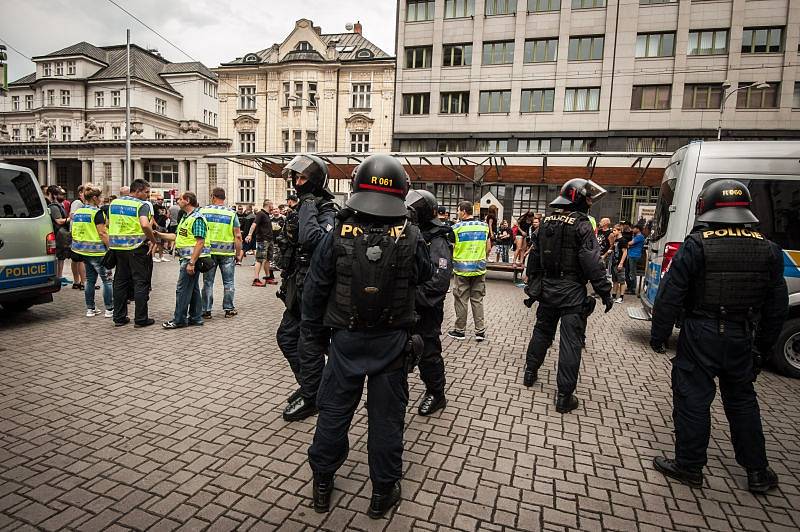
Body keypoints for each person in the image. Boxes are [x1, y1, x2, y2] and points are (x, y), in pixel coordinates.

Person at [303, 154, 434, 518]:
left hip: (344, 341)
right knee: (386, 420)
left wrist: (312, 338)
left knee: (333, 413)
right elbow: (425, 275)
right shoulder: (410, 233)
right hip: (392, 344)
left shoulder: (338, 231)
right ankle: (382, 493)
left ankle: (323, 483)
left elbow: (315, 288)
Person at [649, 179, 788, 493]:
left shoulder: (697, 244)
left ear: (707, 206)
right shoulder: (768, 248)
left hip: (701, 332)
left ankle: (689, 466)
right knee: (742, 403)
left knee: (693, 400)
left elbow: (671, 295)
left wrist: (659, 335)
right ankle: (757, 472)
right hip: (742, 335)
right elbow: (776, 306)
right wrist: (762, 349)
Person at [522, 179, 613, 413]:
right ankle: (564, 397)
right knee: (571, 343)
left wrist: (533, 283)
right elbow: (593, 263)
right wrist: (604, 291)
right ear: (580, 199)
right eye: (589, 197)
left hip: (548, 289)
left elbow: (534, 256)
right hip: (572, 291)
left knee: (542, 331)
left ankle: (530, 373)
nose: (591, 201)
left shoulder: (546, 221)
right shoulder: (582, 225)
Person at [276, 155, 339, 422]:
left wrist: (309, 206)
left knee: (309, 346)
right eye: (295, 178)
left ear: (314, 182)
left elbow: (313, 240)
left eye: (302, 178)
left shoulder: (327, 211)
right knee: (287, 338)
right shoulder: (304, 206)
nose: (297, 183)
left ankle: (314, 396)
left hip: (316, 291)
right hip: (298, 287)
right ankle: (313, 387)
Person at [406, 189, 453, 416]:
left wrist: (411, 297)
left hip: (426, 309)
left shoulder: (437, 239)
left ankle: (436, 393)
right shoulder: (406, 232)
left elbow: (438, 282)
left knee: (428, 352)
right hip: (405, 306)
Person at [108, 178, 158, 328]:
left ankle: (119, 317)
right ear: (137, 191)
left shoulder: (114, 203)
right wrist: (153, 240)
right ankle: (141, 319)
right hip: (136, 247)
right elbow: (144, 224)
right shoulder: (141, 205)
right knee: (140, 282)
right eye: (146, 192)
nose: (148, 196)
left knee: (120, 281)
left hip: (118, 247)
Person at [156, 192, 210, 329]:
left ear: (187, 201)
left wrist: (192, 263)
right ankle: (196, 317)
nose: (178, 202)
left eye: (180, 199)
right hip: (188, 259)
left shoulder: (197, 218)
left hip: (190, 260)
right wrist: (158, 234)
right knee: (193, 290)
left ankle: (179, 319)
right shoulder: (187, 217)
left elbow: (200, 242)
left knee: (182, 290)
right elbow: (177, 237)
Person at [447, 201, 490, 342]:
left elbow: (451, 248)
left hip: (462, 270)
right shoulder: (484, 226)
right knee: (477, 300)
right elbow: (488, 248)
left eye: (458, 210)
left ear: (464, 212)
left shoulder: (455, 228)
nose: (457, 213)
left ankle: (460, 331)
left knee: (461, 300)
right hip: (479, 269)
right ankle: (480, 332)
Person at [70, 184, 113, 317]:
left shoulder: (78, 213)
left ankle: (90, 309)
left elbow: (75, 231)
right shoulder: (97, 213)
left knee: (89, 280)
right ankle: (109, 309)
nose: (101, 199)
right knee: (107, 280)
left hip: (83, 251)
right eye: (100, 197)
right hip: (98, 251)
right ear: (94, 198)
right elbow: (102, 233)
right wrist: (110, 248)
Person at [200, 187, 243, 319]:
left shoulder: (203, 211)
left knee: (208, 282)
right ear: (224, 198)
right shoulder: (231, 213)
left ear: (213, 196)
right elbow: (238, 236)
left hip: (208, 252)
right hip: (227, 253)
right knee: (229, 282)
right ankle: (229, 309)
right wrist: (238, 253)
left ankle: (206, 310)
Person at [245, 200, 276, 286]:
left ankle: (268, 277)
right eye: (272, 205)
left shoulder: (267, 215)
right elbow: (254, 225)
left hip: (269, 240)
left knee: (267, 260)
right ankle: (256, 279)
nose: (273, 207)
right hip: (263, 240)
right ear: (269, 205)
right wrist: (249, 234)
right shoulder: (260, 214)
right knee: (259, 260)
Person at [45, 185, 71, 286]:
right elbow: (59, 221)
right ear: (54, 195)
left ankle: (59, 277)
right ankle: (57, 277)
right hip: (57, 234)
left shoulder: (59, 205)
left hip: (60, 234)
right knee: (57, 256)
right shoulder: (54, 207)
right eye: (60, 194)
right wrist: (70, 218)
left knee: (61, 257)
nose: (62, 196)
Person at [68, 185, 88, 290]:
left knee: (76, 259)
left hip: (76, 232)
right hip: (77, 233)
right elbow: (72, 215)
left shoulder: (81, 203)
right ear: (80, 193)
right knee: (80, 259)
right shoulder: (78, 203)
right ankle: (82, 282)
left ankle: (77, 281)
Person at [610, 224, 628, 303]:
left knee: (621, 280)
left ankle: (621, 297)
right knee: (615, 280)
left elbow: (625, 252)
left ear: (619, 231)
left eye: (615, 230)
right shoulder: (616, 240)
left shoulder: (623, 240)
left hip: (619, 263)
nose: (613, 232)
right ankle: (614, 295)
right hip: (614, 262)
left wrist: (621, 263)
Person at [626, 223, 645, 294]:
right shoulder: (636, 236)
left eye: (634, 228)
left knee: (632, 272)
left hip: (634, 256)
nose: (632, 229)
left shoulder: (639, 237)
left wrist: (628, 243)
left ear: (638, 229)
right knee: (629, 272)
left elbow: (630, 243)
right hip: (631, 255)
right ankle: (630, 287)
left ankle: (633, 289)